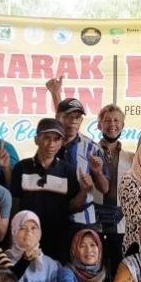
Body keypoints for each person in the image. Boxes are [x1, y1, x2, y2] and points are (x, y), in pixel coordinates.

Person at [9, 118, 86, 260]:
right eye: (46, 138)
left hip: (58, 239)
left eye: (57, 139)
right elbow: (15, 205)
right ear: (36, 140)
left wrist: (85, 190)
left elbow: (75, 206)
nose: (51, 144)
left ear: (62, 143)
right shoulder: (21, 167)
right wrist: (14, 237)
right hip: (28, 237)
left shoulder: (67, 170)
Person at [46, 78, 109, 235]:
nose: (73, 121)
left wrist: (98, 172)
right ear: (59, 117)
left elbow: (104, 188)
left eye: (77, 117)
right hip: (52, 218)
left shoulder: (92, 148)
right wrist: (55, 94)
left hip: (83, 221)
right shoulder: (48, 144)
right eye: (68, 116)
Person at [94, 104, 136, 274]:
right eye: (107, 120)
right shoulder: (89, 150)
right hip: (95, 223)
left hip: (122, 225)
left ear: (123, 125)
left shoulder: (131, 157)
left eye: (116, 120)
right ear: (99, 125)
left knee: (120, 272)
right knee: (95, 271)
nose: (112, 124)